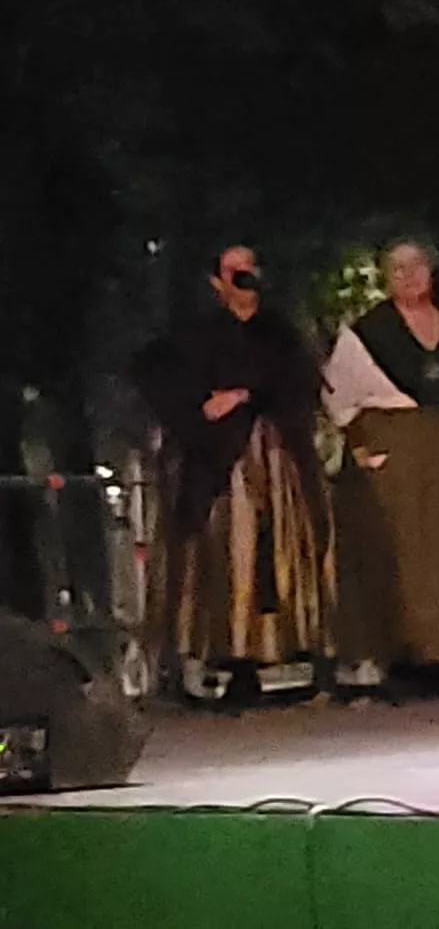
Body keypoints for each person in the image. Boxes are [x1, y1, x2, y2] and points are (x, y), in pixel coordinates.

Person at [134, 246, 334, 703]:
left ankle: (287, 652)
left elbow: (299, 381)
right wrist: (200, 412)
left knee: (278, 552)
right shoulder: (195, 335)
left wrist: (248, 395)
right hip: (214, 464)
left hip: (276, 463)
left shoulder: (280, 333)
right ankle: (219, 659)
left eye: (250, 269)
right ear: (217, 281)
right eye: (234, 271)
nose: (246, 278)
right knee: (217, 555)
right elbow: (160, 379)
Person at [321, 238, 439, 690]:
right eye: (398, 269)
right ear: (385, 277)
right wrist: (363, 445)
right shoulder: (365, 334)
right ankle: (402, 655)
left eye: (416, 265)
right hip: (396, 448)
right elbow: (338, 399)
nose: (409, 275)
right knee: (403, 549)